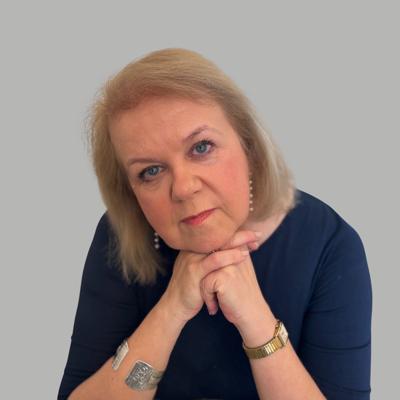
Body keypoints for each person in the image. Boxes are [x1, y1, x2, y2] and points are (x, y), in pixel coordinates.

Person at [57, 48, 372, 400]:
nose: (183, 187)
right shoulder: (122, 238)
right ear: (131, 193)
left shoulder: (329, 245)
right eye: (151, 171)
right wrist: (171, 310)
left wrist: (258, 323)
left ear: (248, 145)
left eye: (201, 147)